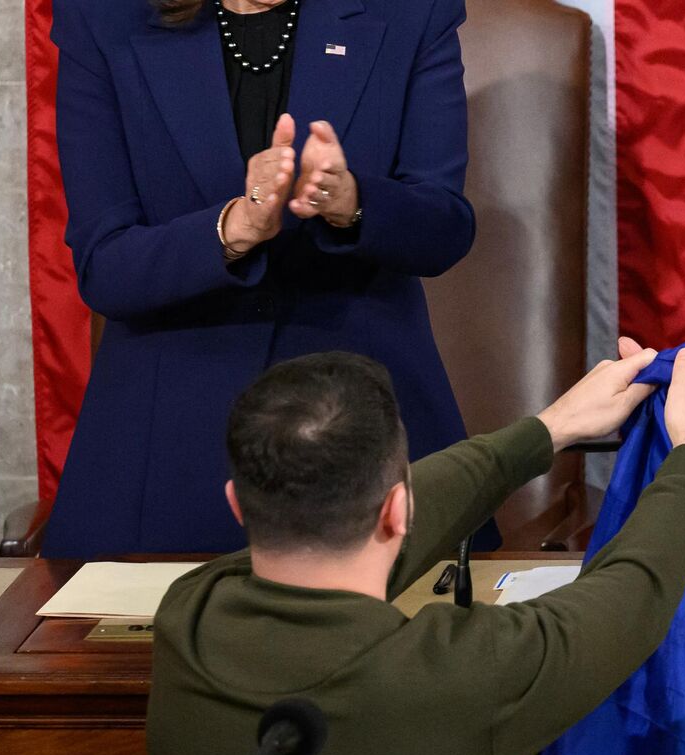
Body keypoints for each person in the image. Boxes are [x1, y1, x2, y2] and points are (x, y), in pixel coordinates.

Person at [147, 342, 685, 755]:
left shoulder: (188, 613)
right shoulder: (460, 674)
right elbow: (631, 595)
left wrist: (551, 428)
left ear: (237, 504)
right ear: (396, 512)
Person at [40, 0, 480, 558]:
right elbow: (105, 265)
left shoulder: (412, 12)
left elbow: (444, 228)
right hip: (169, 429)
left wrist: (349, 201)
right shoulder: (104, 17)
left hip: (358, 412)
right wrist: (235, 226)